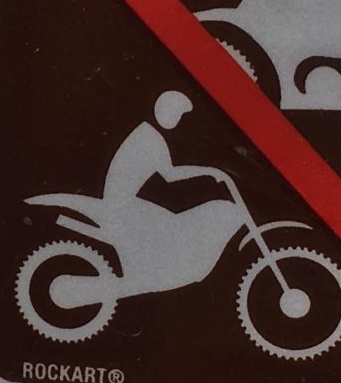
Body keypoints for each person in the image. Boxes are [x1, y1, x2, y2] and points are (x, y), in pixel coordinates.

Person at [95, 91, 244, 296]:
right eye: (175, 113)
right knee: (173, 228)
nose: (176, 119)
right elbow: (170, 175)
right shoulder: (150, 138)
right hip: (124, 204)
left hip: (126, 202)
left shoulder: (149, 134)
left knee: (172, 225)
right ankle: (158, 275)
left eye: (179, 115)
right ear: (162, 111)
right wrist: (208, 171)